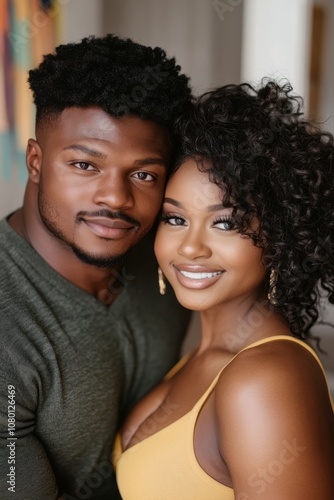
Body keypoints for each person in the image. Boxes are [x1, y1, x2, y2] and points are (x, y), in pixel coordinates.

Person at [114, 80, 334, 499]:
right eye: (175, 219)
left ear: (279, 237)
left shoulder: (265, 379)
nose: (191, 247)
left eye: (225, 223)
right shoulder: (202, 353)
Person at [0, 34, 193, 499]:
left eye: (143, 173)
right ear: (36, 161)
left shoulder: (177, 261)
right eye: (86, 165)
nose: (116, 198)